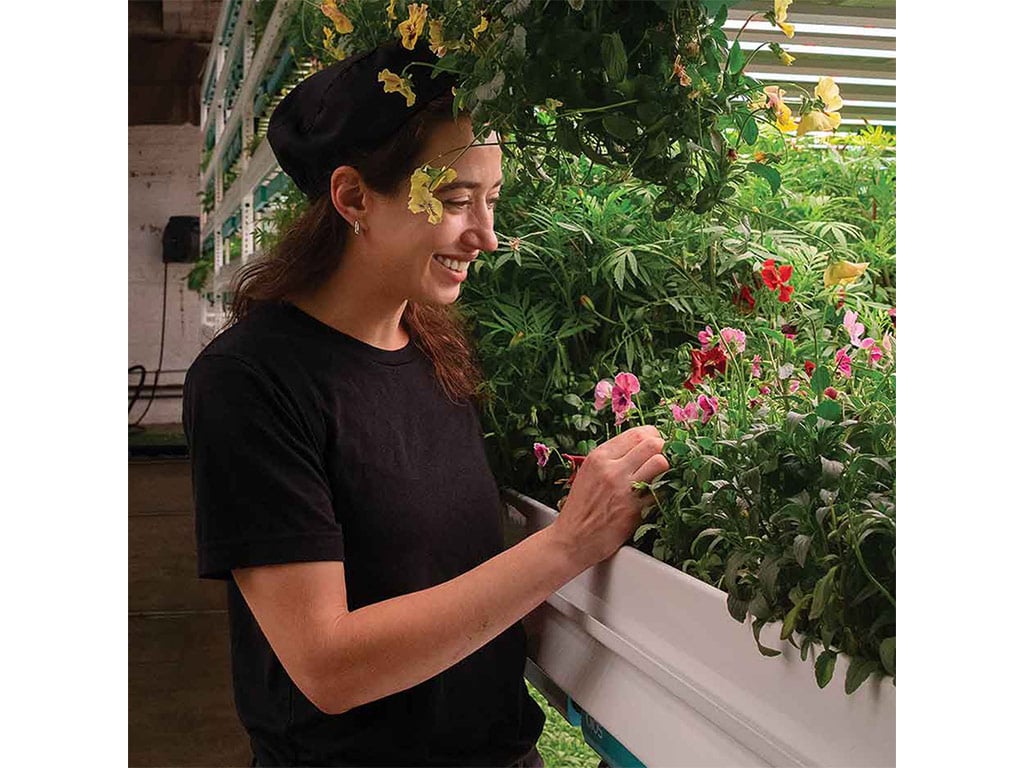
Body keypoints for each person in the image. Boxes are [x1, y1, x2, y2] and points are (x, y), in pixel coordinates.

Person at [183, 39, 669, 768]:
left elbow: (451, 573)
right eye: (455, 200)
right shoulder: (252, 382)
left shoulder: (431, 345)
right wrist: (568, 543)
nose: (487, 235)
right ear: (352, 198)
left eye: (492, 198)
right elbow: (329, 666)